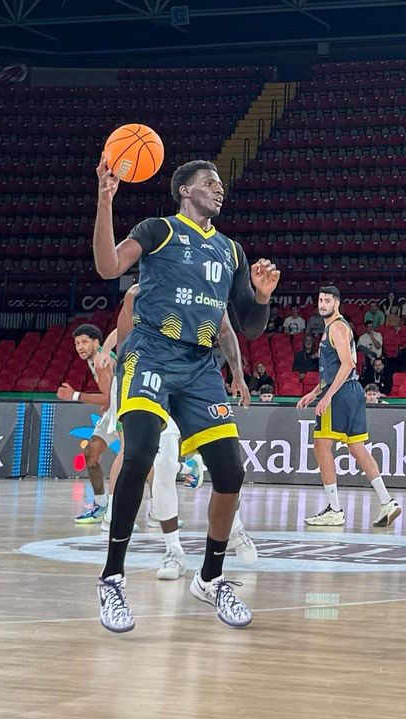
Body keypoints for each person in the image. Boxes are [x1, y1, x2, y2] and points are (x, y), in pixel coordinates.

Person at [91, 157, 279, 633]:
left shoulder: (231, 252)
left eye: (219, 184)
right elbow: (108, 264)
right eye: (208, 183)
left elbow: (246, 327)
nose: (218, 190)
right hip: (151, 352)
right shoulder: (159, 230)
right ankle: (112, 577)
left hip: (199, 366)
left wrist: (260, 296)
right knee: (140, 454)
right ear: (184, 191)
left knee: (231, 470)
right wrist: (105, 199)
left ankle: (211, 578)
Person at [107, 284, 260, 582]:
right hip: (152, 378)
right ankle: (173, 550)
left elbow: (226, 329)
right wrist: (120, 375)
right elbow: (124, 340)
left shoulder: (205, 284)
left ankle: (236, 526)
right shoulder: (137, 294)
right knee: (161, 466)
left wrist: (238, 376)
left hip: (194, 380)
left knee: (226, 467)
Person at [296, 286, 402, 529]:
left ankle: (334, 509)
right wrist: (314, 392)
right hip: (350, 391)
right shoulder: (332, 328)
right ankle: (387, 502)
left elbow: (348, 364)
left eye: (328, 300)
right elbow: (335, 369)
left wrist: (326, 397)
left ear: (338, 303)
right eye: (320, 299)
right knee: (357, 448)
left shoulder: (337, 327)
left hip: (341, 393)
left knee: (321, 446)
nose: (322, 304)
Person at [61, 323, 119, 524]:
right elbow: (110, 395)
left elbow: (109, 399)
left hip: (122, 412)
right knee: (91, 454)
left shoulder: (102, 362)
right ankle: (101, 505)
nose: (80, 347)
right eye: (77, 343)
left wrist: (74, 395)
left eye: (85, 342)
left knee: (138, 462)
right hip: (113, 410)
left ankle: (186, 468)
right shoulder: (93, 359)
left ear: (96, 342)